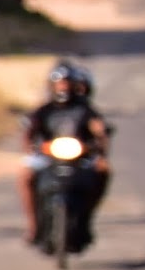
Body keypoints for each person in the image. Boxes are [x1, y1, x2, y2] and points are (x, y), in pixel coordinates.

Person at [19, 60, 111, 246]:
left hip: (80, 158)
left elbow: (97, 128)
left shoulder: (84, 109)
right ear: (53, 85)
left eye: (67, 83)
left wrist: (100, 137)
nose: (64, 87)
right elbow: (30, 129)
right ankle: (33, 226)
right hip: (48, 157)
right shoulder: (45, 109)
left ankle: (88, 216)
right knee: (26, 175)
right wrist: (31, 145)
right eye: (60, 83)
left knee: (103, 171)